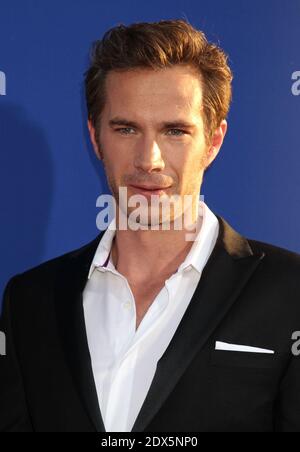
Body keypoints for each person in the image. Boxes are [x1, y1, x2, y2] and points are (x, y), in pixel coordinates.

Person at [0, 19, 299, 433]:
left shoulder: (290, 291)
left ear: (213, 142)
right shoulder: (28, 302)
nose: (149, 159)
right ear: (95, 137)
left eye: (175, 131)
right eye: (126, 129)